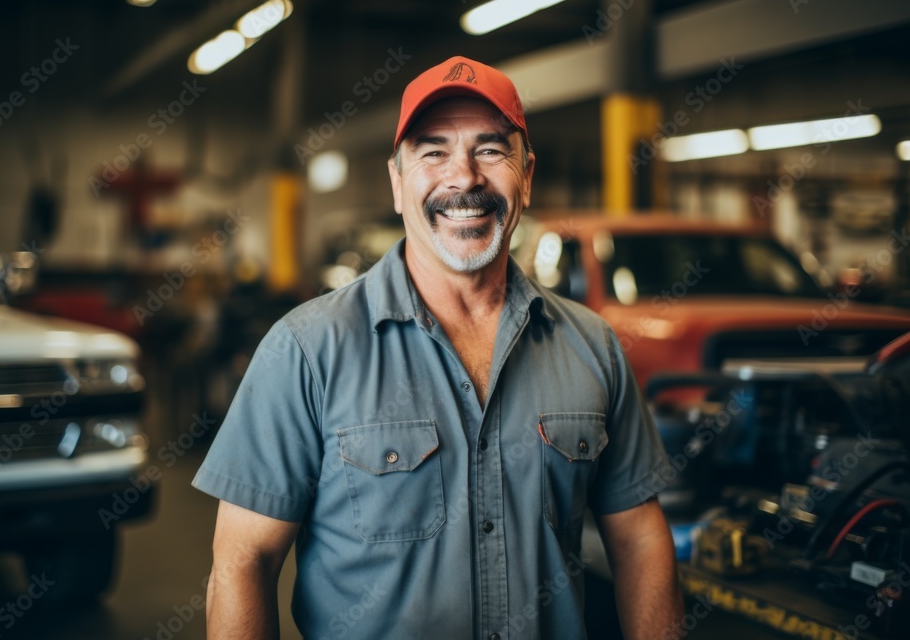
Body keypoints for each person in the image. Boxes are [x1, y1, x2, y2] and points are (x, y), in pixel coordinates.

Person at [193, 55, 683, 639]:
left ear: (526, 176)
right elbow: (242, 563)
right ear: (398, 183)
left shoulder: (592, 345)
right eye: (433, 152)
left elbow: (639, 538)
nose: (465, 178)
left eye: (491, 150)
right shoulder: (305, 351)